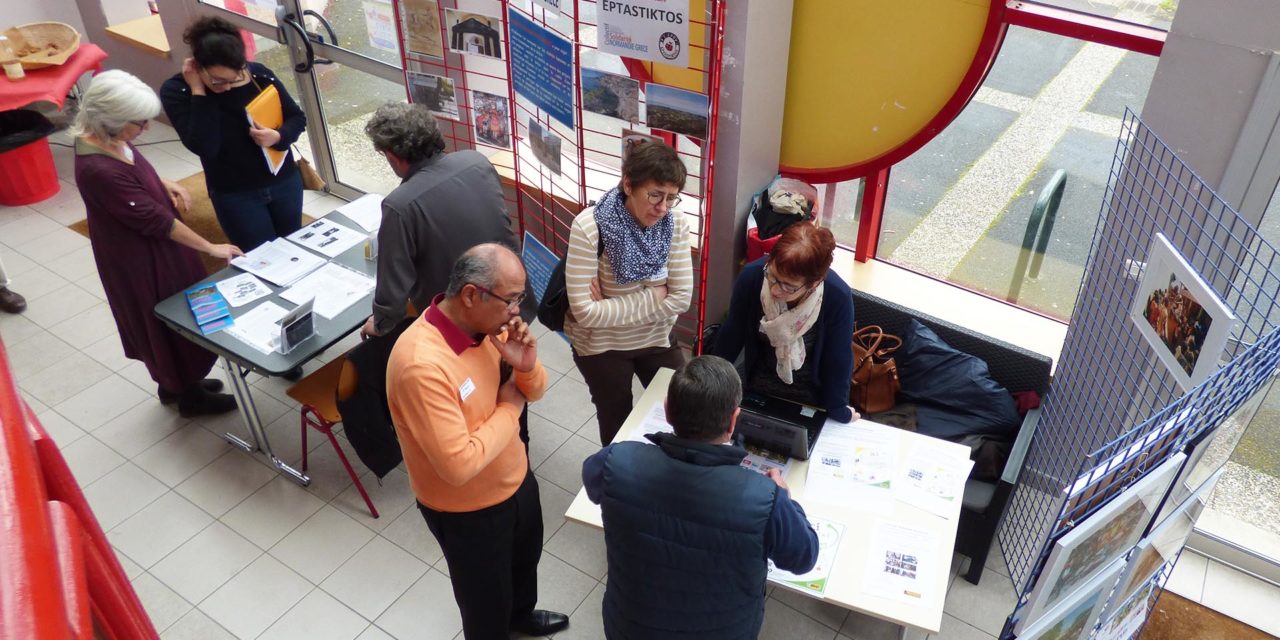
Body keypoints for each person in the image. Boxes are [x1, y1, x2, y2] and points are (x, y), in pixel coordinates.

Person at [386, 244, 568, 639]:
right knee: (485, 604)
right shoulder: (421, 365)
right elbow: (458, 465)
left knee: (524, 564)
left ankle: (520, 615)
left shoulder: (485, 329)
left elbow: (531, 392)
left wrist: (526, 366)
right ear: (471, 295)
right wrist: (509, 408)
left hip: (516, 479)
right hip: (468, 512)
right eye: (512, 299)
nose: (517, 311)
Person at [582, 355, 819, 639]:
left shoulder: (615, 460)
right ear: (734, 421)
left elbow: (592, 482)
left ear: (668, 412)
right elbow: (804, 557)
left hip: (629, 629)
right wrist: (787, 500)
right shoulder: (765, 498)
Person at [72, 70, 243, 416]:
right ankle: (186, 392)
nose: (145, 129)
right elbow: (158, 222)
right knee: (169, 313)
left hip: (152, 247)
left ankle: (179, 383)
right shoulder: (98, 170)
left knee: (180, 307)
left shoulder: (109, 137)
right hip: (142, 258)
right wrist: (212, 248)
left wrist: (162, 182)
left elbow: (132, 167)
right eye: (139, 123)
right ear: (112, 120)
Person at [359, 101, 534, 339]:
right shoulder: (476, 161)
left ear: (391, 156)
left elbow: (393, 286)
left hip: (463, 324)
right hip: (514, 304)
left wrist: (380, 324)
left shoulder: (400, 205)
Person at [564, 140, 693, 445]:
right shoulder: (589, 227)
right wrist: (657, 294)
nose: (662, 208)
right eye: (654, 195)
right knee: (617, 424)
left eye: (671, 198)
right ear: (628, 185)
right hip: (601, 346)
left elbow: (682, 297)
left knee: (684, 410)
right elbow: (584, 313)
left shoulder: (675, 224)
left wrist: (610, 306)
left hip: (656, 339)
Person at [160, 16, 307, 252]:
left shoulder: (258, 75)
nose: (227, 87)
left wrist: (278, 136)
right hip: (235, 193)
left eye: (236, 77)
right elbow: (204, 146)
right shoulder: (178, 91)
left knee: (295, 249)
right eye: (218, 81)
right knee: (261, 259)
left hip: (284, 181)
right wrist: (200, 92)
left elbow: (296, 117)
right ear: (198, 66)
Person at [713, 222, 857, 422]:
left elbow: (838, 359)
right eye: (772, 276)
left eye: (788, 286)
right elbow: (731, 335)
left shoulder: (836, 297)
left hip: (811, 398)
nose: (774, 290)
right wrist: (709, 384)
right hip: (758, 388)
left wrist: (839, 409)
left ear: (814, 283)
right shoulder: (752, 277)